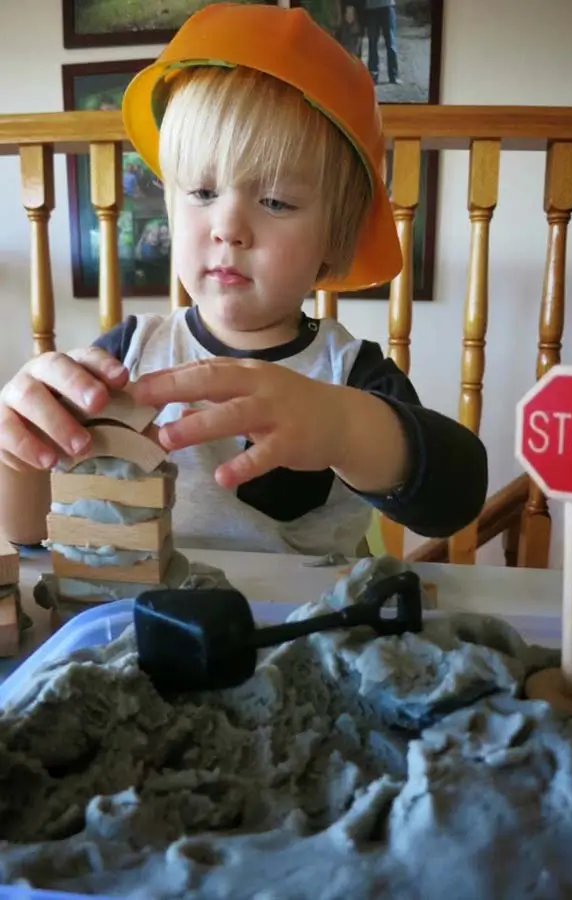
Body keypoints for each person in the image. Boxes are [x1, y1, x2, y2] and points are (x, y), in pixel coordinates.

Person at [0, 3, 487, 556]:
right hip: (138, 623)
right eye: (203, 193)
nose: (228, 228)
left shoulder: (349, 373)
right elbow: (33, 534)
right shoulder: (126, 356)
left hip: (301, 631)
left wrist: (344, 429)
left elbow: (456, 496)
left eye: (276, 201)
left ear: (336, 235)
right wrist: (19, 456)